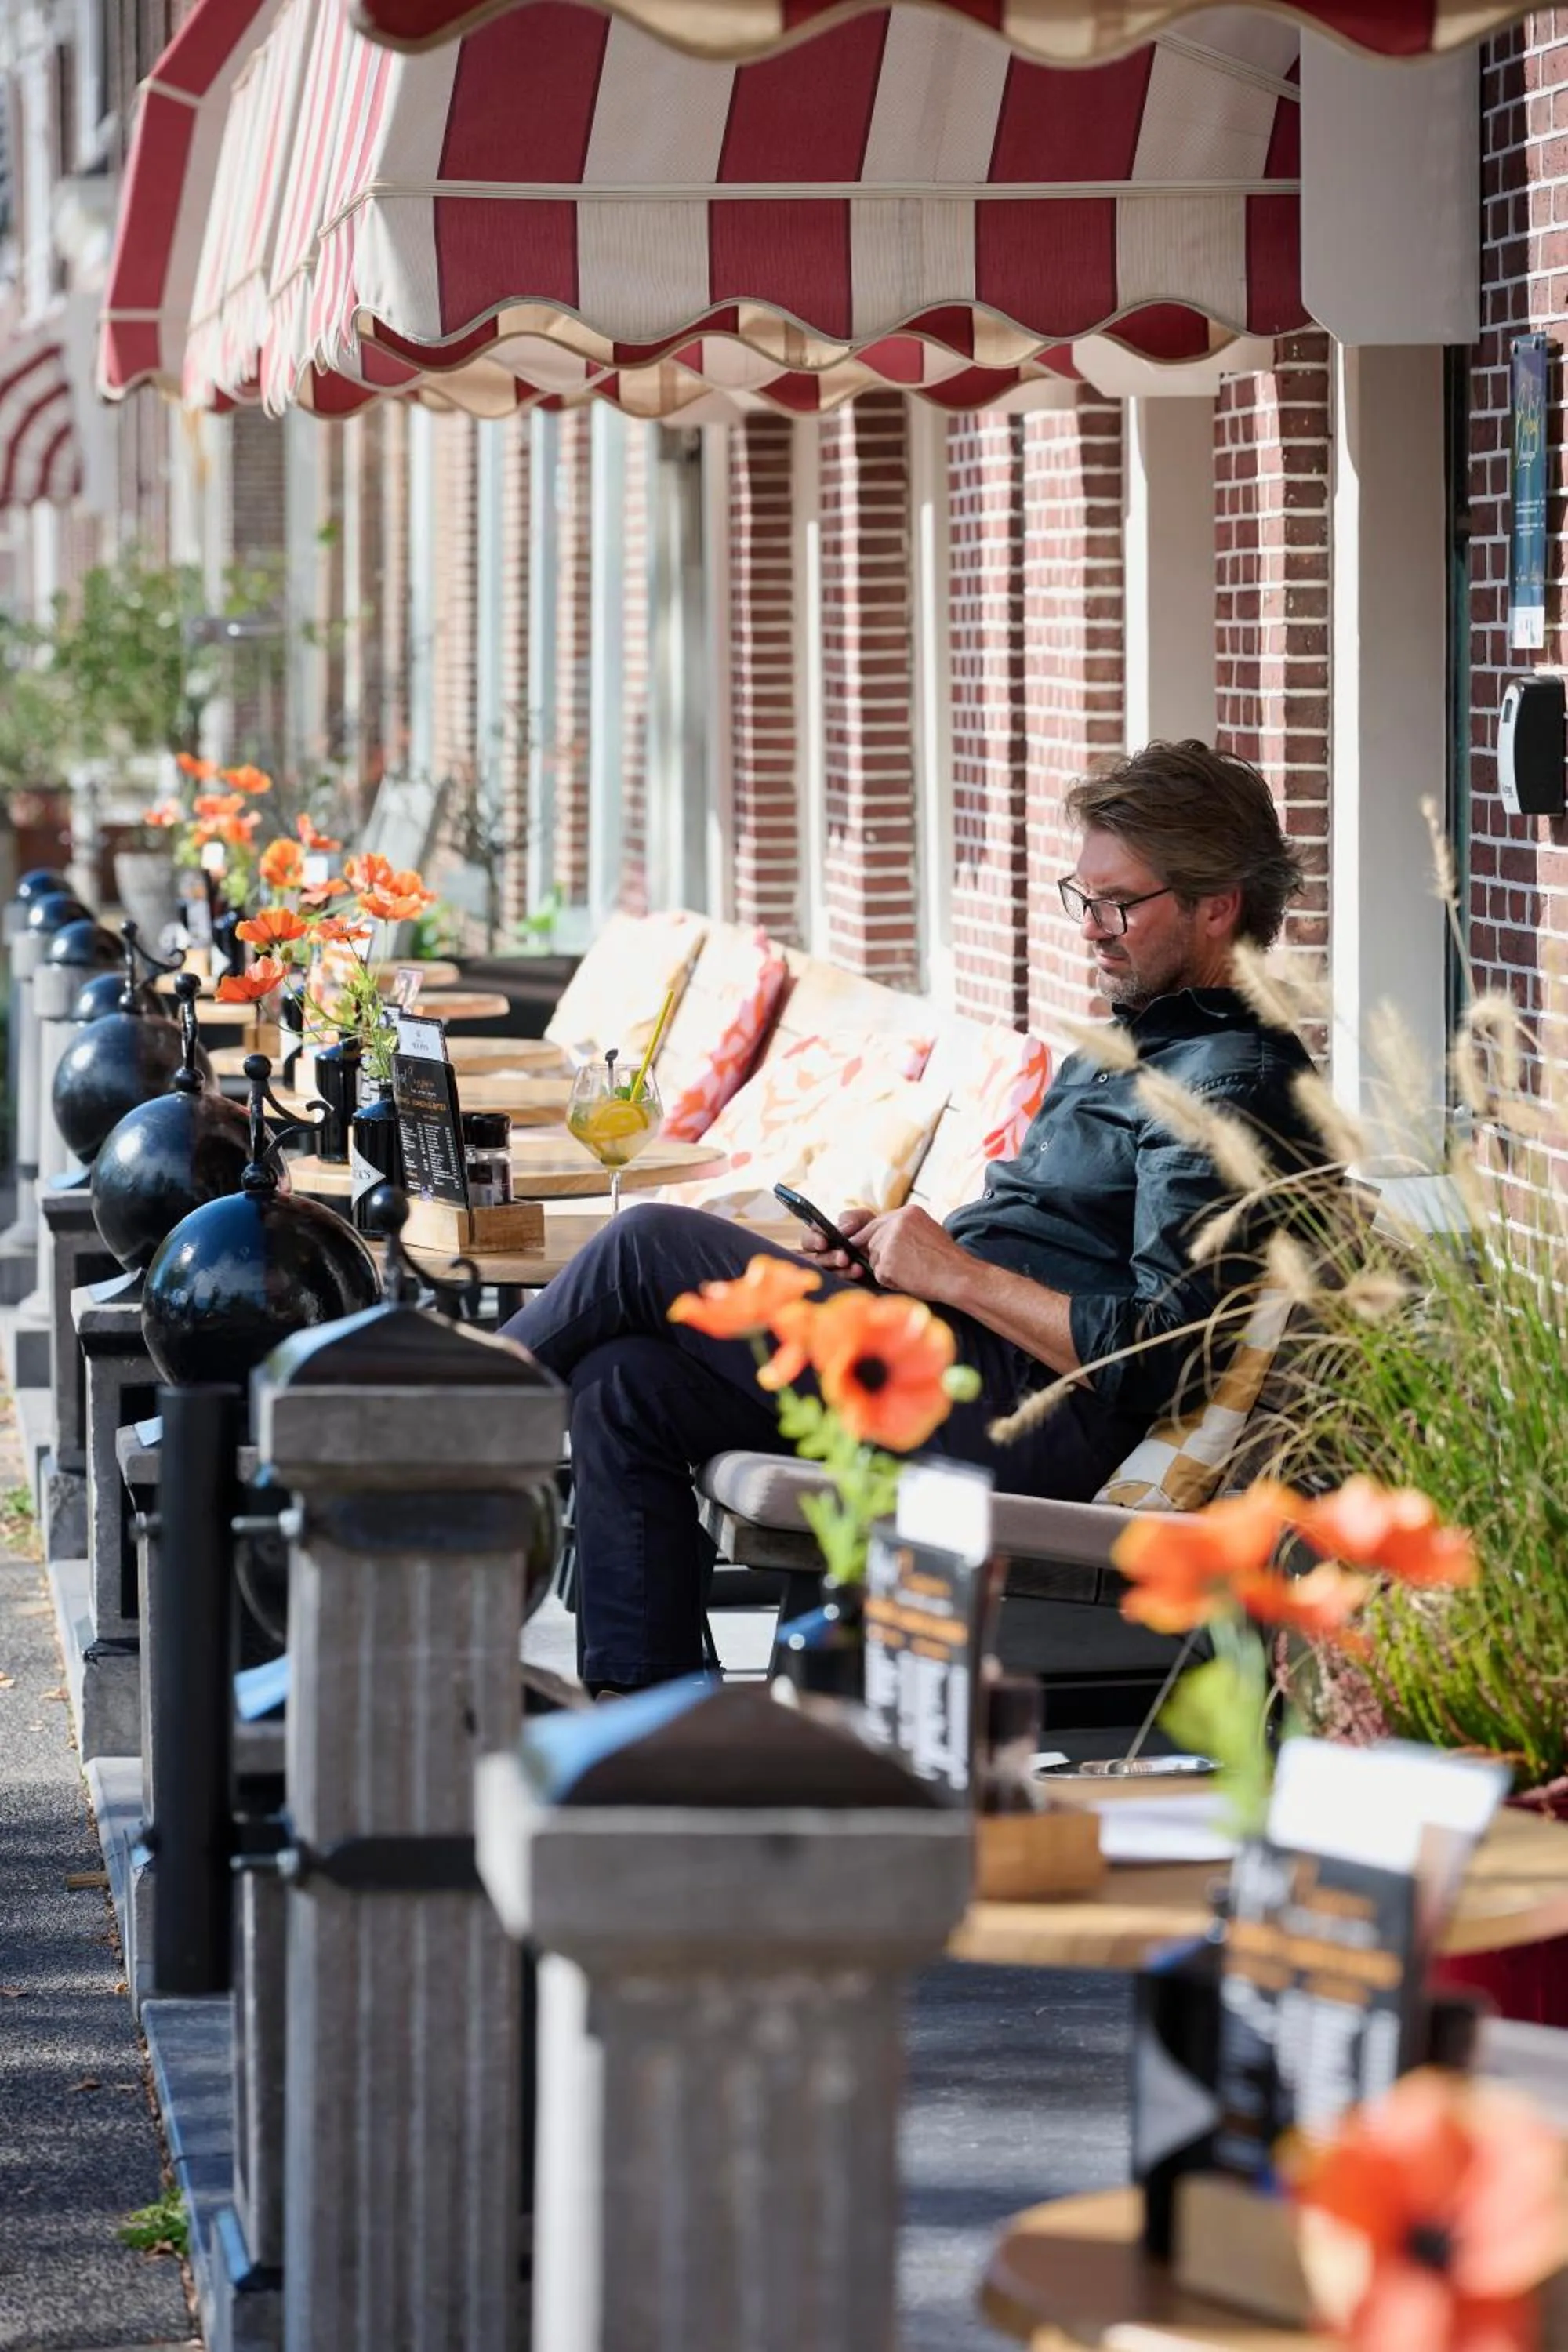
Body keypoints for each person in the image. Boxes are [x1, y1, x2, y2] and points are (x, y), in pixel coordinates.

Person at [503, 740, 1319, 1693]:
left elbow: (1156, 1355)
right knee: (624, 1376)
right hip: (955, 1360)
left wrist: (950, 1273)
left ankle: (431, 1429)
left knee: (645, 1243)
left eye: (1118, 904)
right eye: (1082, 897)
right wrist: (891, 1258)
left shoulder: (1225, 1084)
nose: (1090, 928)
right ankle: (649, 1718)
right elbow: (1038, 1241)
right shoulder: (1136, 1039)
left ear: (1216, 905)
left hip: (1024, 1420)